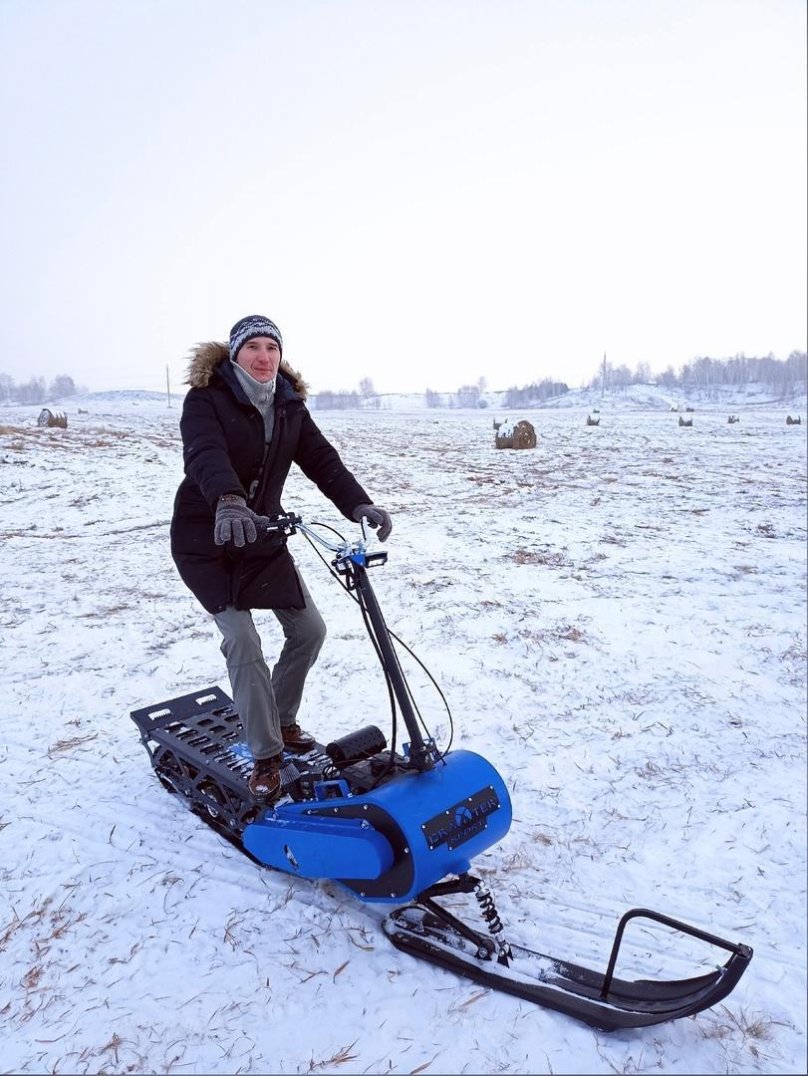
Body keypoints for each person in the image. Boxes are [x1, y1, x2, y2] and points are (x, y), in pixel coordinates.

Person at [170, 314, 392, 803]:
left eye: (272, 347)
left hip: (262, 537)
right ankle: (265, 752)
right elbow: (204, 453)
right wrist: (228, 498)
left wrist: (358, 503)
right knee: (244, 642)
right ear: (234, 354)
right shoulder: (206, 398)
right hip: (206, 539)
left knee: (309, 629)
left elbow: (321, 459)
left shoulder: (290, 406)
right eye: (253, 347)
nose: (264, 357)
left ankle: (282, 720)